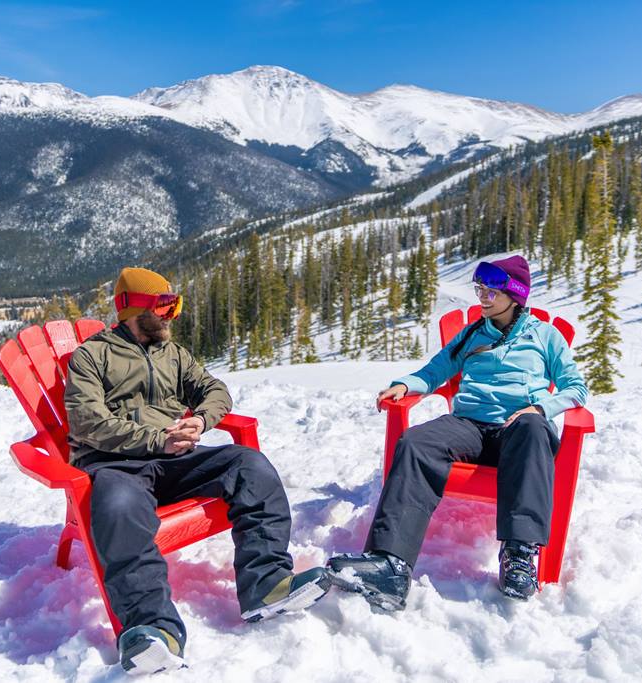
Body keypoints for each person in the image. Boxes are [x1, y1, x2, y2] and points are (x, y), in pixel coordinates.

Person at [64, 267, 330, 676]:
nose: (173, 315)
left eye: (176, 305)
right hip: (118, 464)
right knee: (118, 508)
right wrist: (155, 440)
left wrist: (202, 421)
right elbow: (87, 423)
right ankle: (154, 630)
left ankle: (266, 583)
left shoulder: (175, 355)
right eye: (165, 306)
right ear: (135, 308)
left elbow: (215, 390)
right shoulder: (93, 356)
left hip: (175, 459)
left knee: (250, 465)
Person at [326, 255, 588, 607]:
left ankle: (519, 557)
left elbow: (575, 387)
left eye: (490, 291)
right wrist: (405, 386)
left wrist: (541, 408)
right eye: (479, 289)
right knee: (416, 441)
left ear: (515, 294)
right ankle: (390, 564)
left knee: (534, 428)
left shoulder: (545, 336)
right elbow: (434, 371)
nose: (481, 296)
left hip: (520, 430)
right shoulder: (471, 335)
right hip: (469, 426)